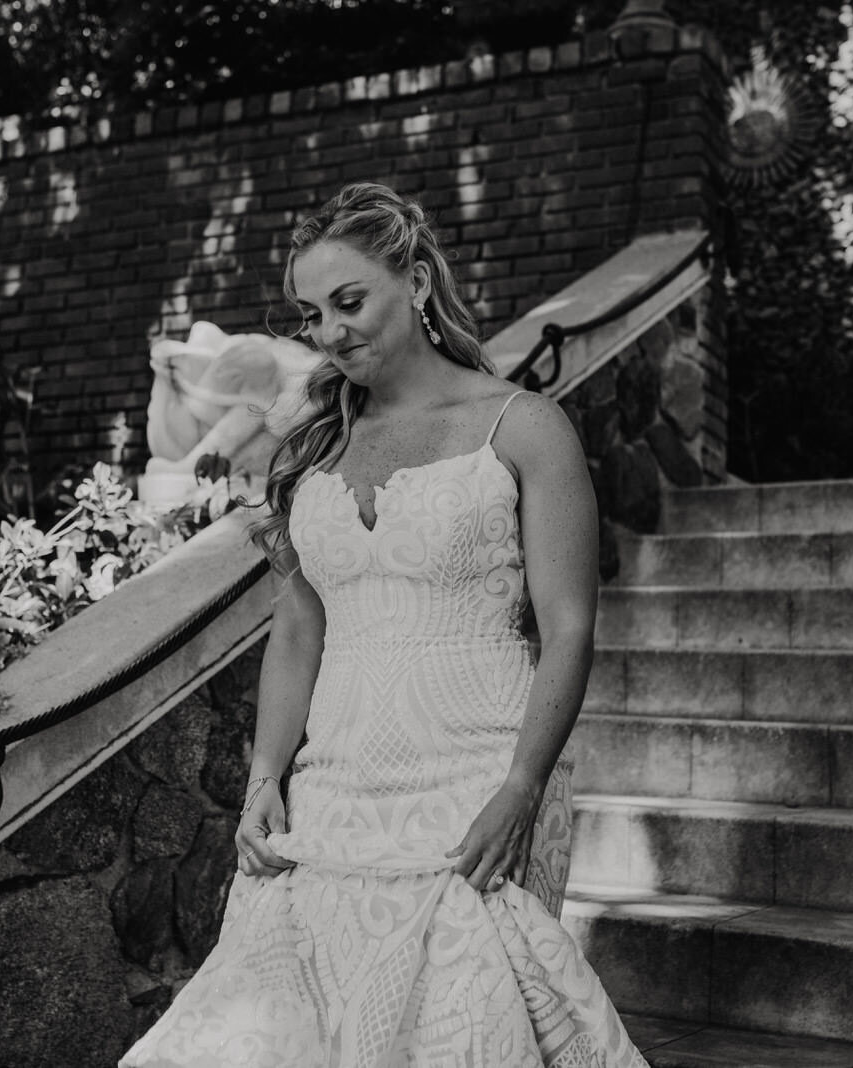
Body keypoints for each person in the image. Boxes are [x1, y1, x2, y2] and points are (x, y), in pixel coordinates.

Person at [120, 182, 649, 1068]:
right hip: (333, 789)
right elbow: (298, 630)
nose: (329, 332)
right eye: (311, 312)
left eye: (349, 302)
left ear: (414, 277)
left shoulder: (524, 427)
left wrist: (521, 787)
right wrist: (263, 780)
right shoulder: (315, 444)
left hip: (478, 776)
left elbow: (568, 629)